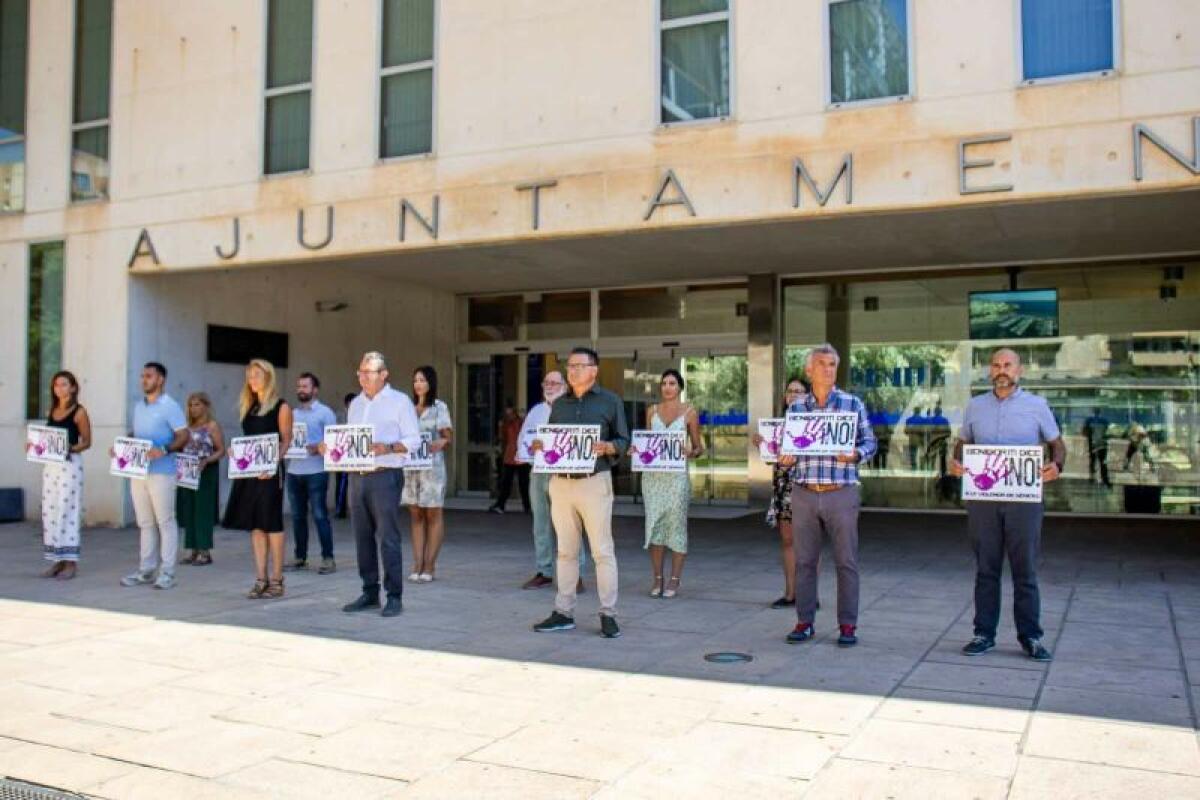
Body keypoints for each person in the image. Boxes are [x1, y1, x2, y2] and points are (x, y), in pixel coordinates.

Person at [951, 347, 1064, 663]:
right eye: (996, 365)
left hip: (1023, 501)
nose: (1002, 370)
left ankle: (1031, 637)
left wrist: (1057, 466)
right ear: (990, 371)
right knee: (986, 569)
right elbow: (962, 444)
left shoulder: (1037, 406)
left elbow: (1057, 445)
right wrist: (955, 462)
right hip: (983, 500)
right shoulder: (975, 407)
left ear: (1019, 371)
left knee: (1024, 570)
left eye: (1008, 365)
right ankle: (983, 634)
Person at [778, 344, 876, 647]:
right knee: (805, 561)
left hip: (840, 493)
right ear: (809, 370)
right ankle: (804, 622)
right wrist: (786, 457)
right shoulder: (796, 409)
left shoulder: (852, 404)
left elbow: (871, 442)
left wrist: (856, 454)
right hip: (805, 492)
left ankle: (848, 626)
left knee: (847, 561)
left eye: (833, 364)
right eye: (822, 364)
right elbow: (788, 448)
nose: (828, 369)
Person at [531, 346, 629, 639]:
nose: (572, 370)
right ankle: (563, 611)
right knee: (565, 551)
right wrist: (541, 446)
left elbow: (624, 439)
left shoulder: (610, 401)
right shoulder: (559, 405)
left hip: (594, 481)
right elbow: (552, 442)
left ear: (594, 370)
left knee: (602, 551)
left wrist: (611, 447)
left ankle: (608, 614)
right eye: (569, 366)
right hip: (561, 483)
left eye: (578, 365)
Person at [328, 351, 421, 618]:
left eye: (368, 373)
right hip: (357, 476)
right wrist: (331, 447)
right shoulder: (356, 404)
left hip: (385, 474)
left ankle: (394, 596)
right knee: (362, 536)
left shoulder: (400, 402)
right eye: (360, 373)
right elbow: (349, 440)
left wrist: (387, 447)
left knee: (388, 537)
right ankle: (369, 591)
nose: (362, 378)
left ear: (383, 374)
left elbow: (413, 440)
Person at [222, 359, 292, 599]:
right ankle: (260, 578)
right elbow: (247, 439)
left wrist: (272, 464)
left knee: (272, 523)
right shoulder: (248, 406)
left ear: (268, 377)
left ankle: (277, 579)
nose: (252, 380)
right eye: (249, 376)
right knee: (255, 524)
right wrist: (235, 452)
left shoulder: (281, 407)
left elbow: (286, 441)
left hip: (270, 473)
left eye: (257, 375)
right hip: (249, 472)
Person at [120, 362, 189, 590]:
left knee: (165, 521)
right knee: (145, 522)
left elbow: (183, 435)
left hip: (163, 472)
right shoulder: (139, 407)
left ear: (160, 379)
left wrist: (165, 450)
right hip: (138, 471)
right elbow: (137, 434)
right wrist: (122, 447)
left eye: (148, 376)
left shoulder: (170, 406)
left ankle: (168, 572)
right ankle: (146, 570)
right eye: (142, 376)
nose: (144, 380)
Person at [517, 370, 587, 590]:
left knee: (569, 524)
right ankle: (544, 570)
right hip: (538, 472)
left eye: (554, 382)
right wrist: (522, 452)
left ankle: (576, 575)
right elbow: (524, 438)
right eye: (546, 382)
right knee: (541, 524)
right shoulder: (536, 411)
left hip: (564, 474)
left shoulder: (574, 407)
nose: (549, 385)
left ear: (564, 386)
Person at [636, 369, 703, 599]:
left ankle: (674, 579)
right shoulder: (651, 411)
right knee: (654, 527)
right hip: (653, 479)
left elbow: (699, 447)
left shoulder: (690, 413)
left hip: (676, 479)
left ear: (680, 387)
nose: (667, 387)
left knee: (676, 526)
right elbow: (647, 442)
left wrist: (690, 452)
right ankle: (657, 578)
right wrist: (637, 450)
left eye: (672, 383)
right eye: (664, 383)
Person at [28, 371, 91, 580]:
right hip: (51, 466)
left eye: (64, 385)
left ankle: (71, 562)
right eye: (56, 385)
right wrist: (34, 445)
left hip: (69, 465)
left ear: (73, 387)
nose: (60, 389)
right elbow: (48, 439)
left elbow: (87, 442)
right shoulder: (52, 410)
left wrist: (71, 448)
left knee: (68, 510)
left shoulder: (79, 412)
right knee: (50, 510)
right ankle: (57, 559)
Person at [750, 377, 807, 608]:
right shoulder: (778, 426)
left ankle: (809, 594)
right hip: (783, 488)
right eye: (790, 391)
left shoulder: (814, 424)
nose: (793, 395)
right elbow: (772, 461)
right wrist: (762, 446)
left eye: (799, 391)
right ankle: (791, 593)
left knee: (808, 543)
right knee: (787, 540)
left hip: (807, 487)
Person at [403, 365, 453, 582]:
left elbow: (447, 436)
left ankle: (430, 565)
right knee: (415, 514)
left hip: (432, 467)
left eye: (422, 380)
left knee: (433, 513)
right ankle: (417, 563)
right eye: (415, 380)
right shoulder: (406, 408)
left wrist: (440, 442)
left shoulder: (439, 407)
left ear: (430, 383)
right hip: (410, 468)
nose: (418, 384)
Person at [285, 372, 338, 574]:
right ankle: (300, 557)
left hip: (316, 471)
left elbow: (333, 442)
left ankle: (328, 558)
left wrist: (316, 448)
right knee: (297, 516)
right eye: (299, 386)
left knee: (319, 515)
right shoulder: (291, 414)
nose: (301, 390)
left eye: (305, 386)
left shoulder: (326, 413)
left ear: (315, 389)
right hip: (294, 471)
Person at [177, 392, 224, 567]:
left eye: (197, 404)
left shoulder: (212, 426)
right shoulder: (186, 427)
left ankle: (205, 550)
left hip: (205, 470)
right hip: (187, 470)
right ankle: (192, 549)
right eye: (190, 405)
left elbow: (221, 450)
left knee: (203, 510)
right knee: (188, 508)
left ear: (205, 405)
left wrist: (207, 460)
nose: (193, 408)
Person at [489, 404, 530, 514]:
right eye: (507, 414)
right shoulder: (505, 425)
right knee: (506, 483)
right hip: (509, 457)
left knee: (524, 484)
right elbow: (503, 439)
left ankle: (527, 506)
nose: (509, 416)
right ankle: (501, 504)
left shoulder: (521, 423)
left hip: (521, 456)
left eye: (511, 413)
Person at [333, 392, 356, 519]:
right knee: (341, 483)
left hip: (356, 456)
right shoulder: (340, 416)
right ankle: (340, 509)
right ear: (346, 404)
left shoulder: (361, 414)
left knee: (357, 484)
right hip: (342, 455)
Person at [1080, 408, 1111, 487]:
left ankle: (1092, 478)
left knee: (1093, 461)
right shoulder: (1104, 420)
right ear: (1100, 412)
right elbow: (1109, 432)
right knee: (1103, 463)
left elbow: (1084, 432)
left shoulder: (1089, 420)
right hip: (1102, 444)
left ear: (1093, 411)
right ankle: (1105, 480)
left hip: (1092, 444)